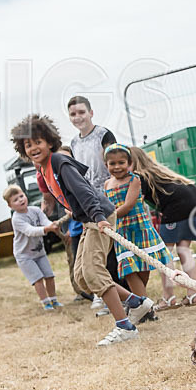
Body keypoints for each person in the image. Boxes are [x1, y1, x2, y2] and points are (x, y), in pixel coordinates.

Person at [10, 114, 153, 346]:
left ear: (49, 142)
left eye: (38, 142)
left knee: (95, 272)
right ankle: (137, 303)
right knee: (82, 278)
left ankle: (124, 326)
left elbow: (84, 191)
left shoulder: (59, 162)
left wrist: (99, 218)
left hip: (99, 217)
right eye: (28, 144)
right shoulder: (45, 169)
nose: (34, 147)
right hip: (88, 220)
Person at [66, 95, 127, 311]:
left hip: (107, 195)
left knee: (110, 249)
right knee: (96, 252)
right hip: (88, 199)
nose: (78, 117)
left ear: (91, 113)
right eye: (73, 114)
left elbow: (114, 159)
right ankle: (103, 292)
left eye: (81, 112)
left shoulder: (103, 134)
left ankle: (119, 292)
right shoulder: (74, 142)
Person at [129, 146, 196, 309]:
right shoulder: (156, 171)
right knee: (184, 249)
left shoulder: (139, 176)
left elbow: (137, 203)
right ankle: (193, 293)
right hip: (195, 201)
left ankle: (168, 297)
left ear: (132, 161)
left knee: (164, 254)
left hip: (177, 207)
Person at [103, 143, 172, 320]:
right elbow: (105, 205)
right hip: (121, 233)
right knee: (128, 270)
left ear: (130, 163)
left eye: (121, 162)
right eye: (112, 163)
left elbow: (128, 205)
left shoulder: (134, 180)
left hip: (138, 229)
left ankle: (144, 306)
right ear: (106, 165)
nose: (117, 167)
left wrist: (106, 219)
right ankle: (145, 308)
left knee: (142, 268)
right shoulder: (106, 184)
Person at [37, 145, 92, 302]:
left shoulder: (71, 172)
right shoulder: (43, 174)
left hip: (88, 221)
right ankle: (82, 292)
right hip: (73, 225)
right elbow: (51, 200)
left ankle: (99, 294)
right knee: (75, 262)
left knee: (92, 263)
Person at [3, 185, 64, 311]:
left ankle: (54, 300)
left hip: (39, 252)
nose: (20, 200)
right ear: (10, 206)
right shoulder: (17, 219)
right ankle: (45, 302)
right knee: (38, 278)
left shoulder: (35, 210)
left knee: (49, 276)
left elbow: (44, 221)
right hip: (24, 255)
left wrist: (51, 225)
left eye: (21, 196)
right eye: (15, 200)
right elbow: (30, 231)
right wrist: (47, 229)